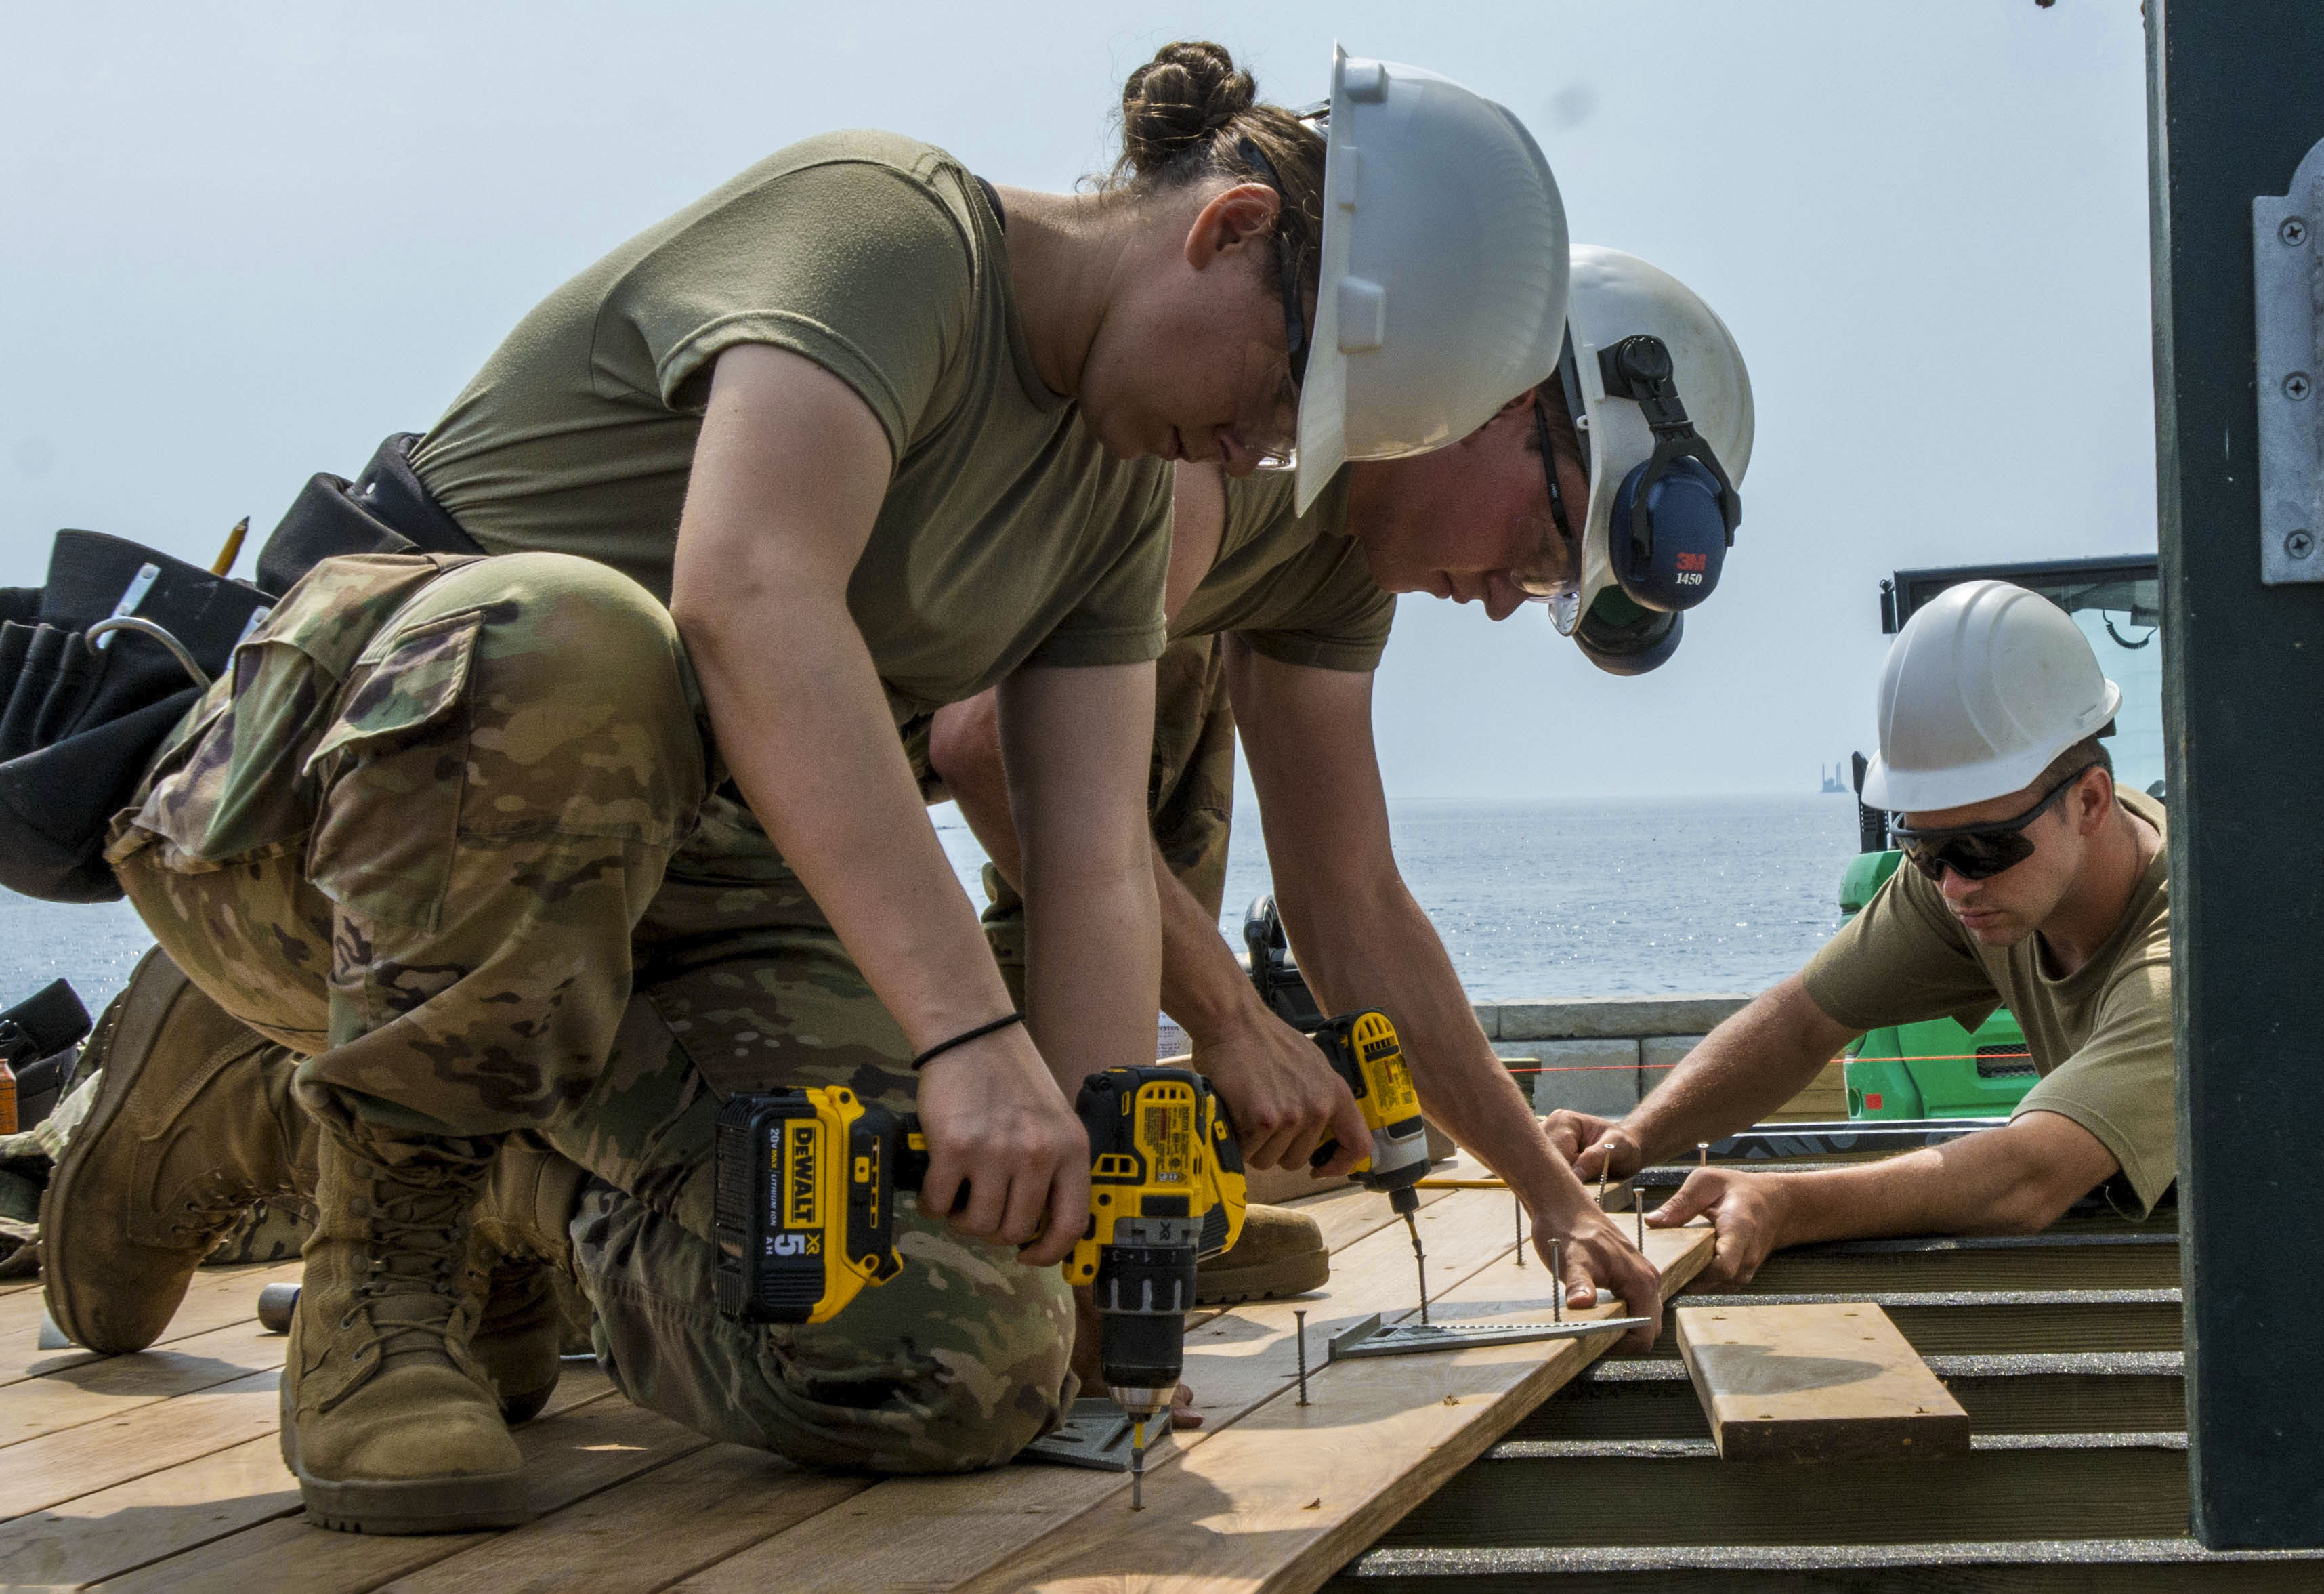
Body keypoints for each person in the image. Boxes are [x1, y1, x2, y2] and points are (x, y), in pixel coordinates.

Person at [41, 41, 1576, 1535]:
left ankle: (524, 1188)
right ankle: (364, 1243)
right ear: (1225, 232)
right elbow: (750, 597)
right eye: (1270, 403)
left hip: (670, 907)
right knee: (585, 645)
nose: (1252, 455)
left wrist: (1106, 1259)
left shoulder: (1118, 498)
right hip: (350, 806)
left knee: (964, 1355)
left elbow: (1094, 860)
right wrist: (969, 1041)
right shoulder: (889, 232)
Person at [928, 249, 1753, 1327]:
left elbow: (1350, 902)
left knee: (1161, 679)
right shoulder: (1219, 444)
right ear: (1507, 399)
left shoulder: (1349, 568)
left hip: (883, 787)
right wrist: (1231, 1019)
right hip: (743, 808)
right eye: (1546, 542)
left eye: (1554, 584)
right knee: (947, 1359)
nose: (1511, 598)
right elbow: (994, 746)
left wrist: (1553, 1202)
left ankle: (1107, 1199)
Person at [1544, 579, 2173, 1286]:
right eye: (1924, 851)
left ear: (2087, 800)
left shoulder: (2182, 960)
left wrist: (1786, 1204)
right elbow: (1802, 1021)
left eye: (1982, 849)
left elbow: (2030, 1175)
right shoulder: (1968, 868)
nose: (1954, 885)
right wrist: (1633, 1137)